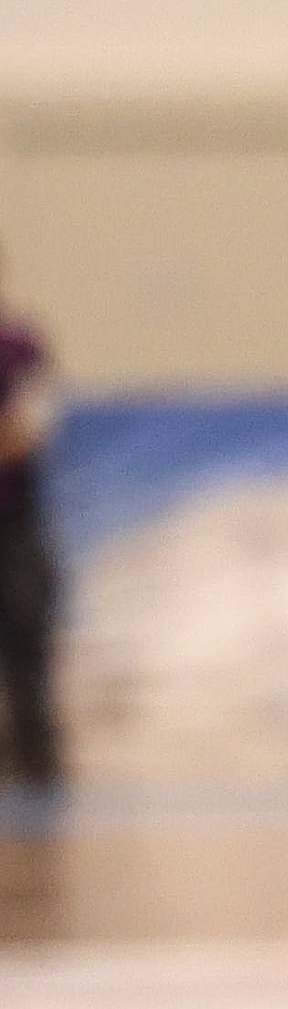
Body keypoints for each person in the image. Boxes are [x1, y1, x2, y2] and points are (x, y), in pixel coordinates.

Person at [0, 252, 53, 792]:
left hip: (13, 521)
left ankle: (35, 763)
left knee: (25, 635)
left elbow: (28, 434)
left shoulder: (19, 348)